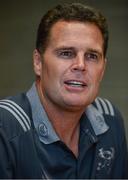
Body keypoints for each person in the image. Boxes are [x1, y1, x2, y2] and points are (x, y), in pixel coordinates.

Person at [0, 2, 127, 179]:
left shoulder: (110, 119)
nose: (80, 65)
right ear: (38, 62)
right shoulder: (5, 127)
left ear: (103, 69)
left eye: (92, 56)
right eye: (66, 53)